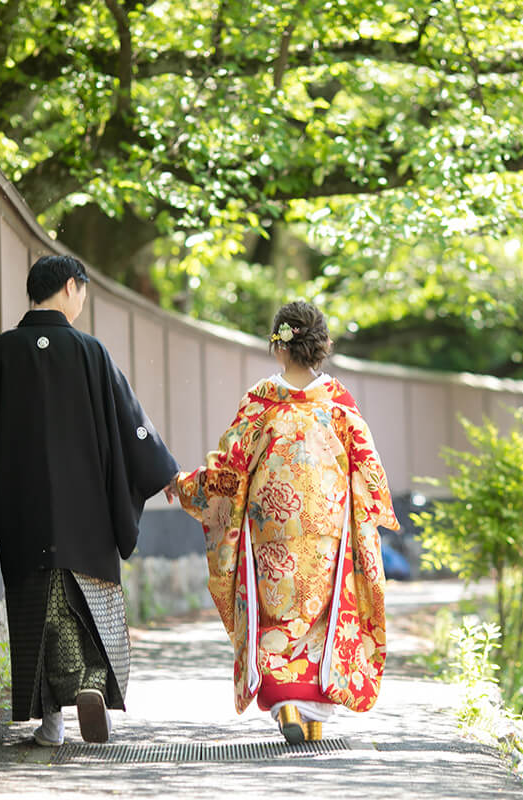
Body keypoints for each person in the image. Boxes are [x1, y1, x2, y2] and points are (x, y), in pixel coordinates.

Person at [0, 254, 178, 746]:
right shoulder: (89, 352)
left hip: (22, 514)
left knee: (36, 609)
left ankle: (50, 724)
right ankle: (90, 685)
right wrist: (164, 471)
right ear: (72, 288)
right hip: (90, 517)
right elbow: (130, 424)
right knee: (89, 602)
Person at [168, 301, 398, 743]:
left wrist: (186, 485)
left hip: (271, 520)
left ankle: (289, 704)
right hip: (326, 524)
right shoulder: (339, 402)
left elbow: (231, 466)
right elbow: (369, 469)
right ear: (321, 348)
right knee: (321, 609)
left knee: (274, 606)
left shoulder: (261, 401)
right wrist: (365, 516)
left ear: (279, 347)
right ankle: (311, 710)